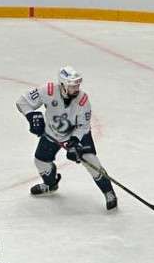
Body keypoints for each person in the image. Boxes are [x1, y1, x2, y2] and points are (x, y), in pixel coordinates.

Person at [15, 66, 116, 210]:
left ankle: (108, 192)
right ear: (62, 85)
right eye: (72, 86)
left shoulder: (83, 100)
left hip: (77, 135)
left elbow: (83, 126)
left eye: (77, 85)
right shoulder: (48, 91)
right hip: (51, 133)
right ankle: (50, 185)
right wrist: (31, 116)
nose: (76, 89)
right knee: (40, 161)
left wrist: (74, 141)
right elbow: (22, 102)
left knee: (91, 162)